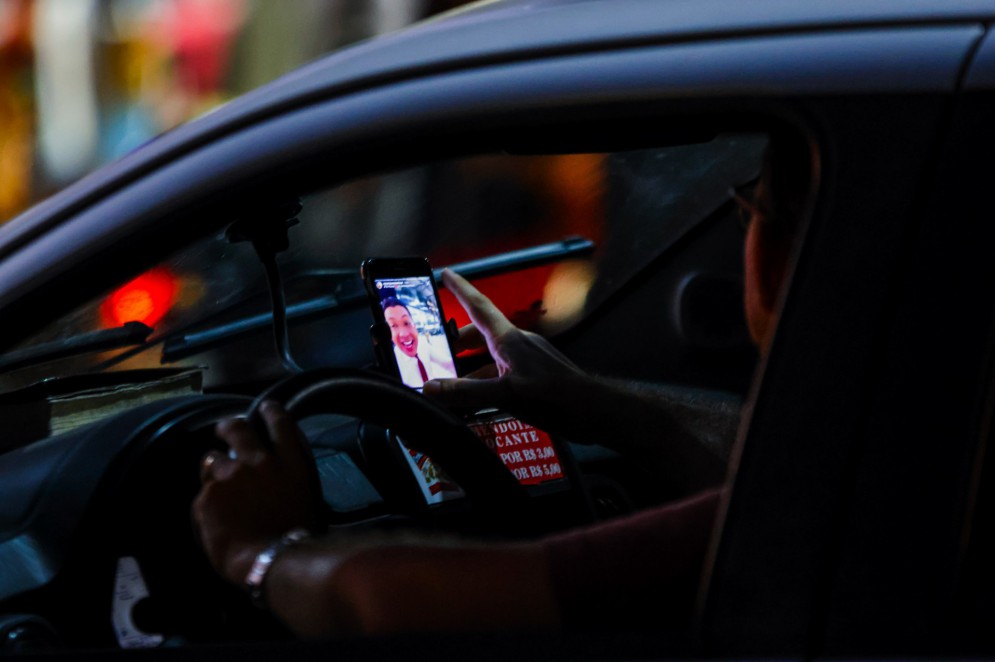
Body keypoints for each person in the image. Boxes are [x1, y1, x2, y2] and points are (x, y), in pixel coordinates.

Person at [193, 129, 813, 637]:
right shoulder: (848, 457)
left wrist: (261, 552)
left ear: (780, 254)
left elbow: (406, 604)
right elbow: (758, 460)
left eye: (745, 215)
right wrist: (595, 403)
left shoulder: (804, 504)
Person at [381, 296, 457, 388]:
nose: (404, 334)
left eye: (406, 323)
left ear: (414, 325)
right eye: (393, 326)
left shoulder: (423, 343)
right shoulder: (393, 362)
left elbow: (447, 363)